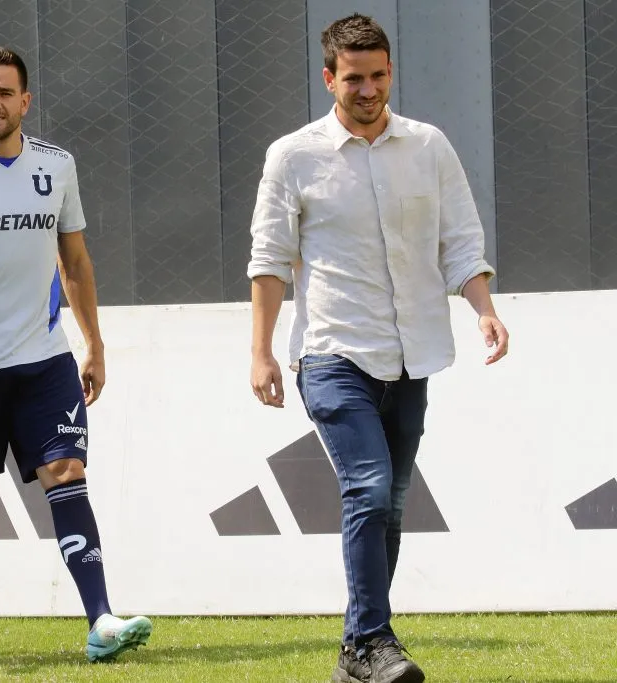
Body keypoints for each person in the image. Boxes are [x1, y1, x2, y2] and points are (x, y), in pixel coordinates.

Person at [247, 14, 509, 683]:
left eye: (379, 76)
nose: (368, 89)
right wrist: (263, 351)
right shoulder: (294, 156)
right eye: (354, 78)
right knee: (366, 485)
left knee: (389, 503)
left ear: (390, 73)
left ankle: (354, 653)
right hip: (334, 353)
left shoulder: (428, 146)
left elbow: (461, 239)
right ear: (329, 77)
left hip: (413, 354)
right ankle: (373, 639)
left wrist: (484, 310)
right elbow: (271, 260)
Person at [0, 46, 152, 663]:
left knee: (67, 474)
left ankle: (101, 620)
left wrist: (92, 343)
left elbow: (75, 261)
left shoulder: (56, 167)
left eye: (5, 92)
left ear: (25, 101)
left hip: (46, 363)